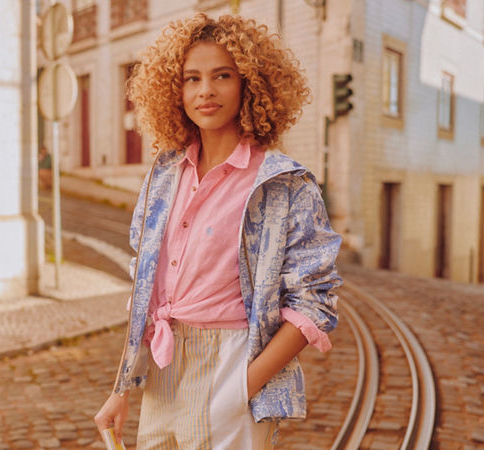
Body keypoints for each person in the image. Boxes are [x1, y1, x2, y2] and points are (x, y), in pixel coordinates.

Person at [93, 13, 342, 449]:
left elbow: (313, 303)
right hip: (162, 372)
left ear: (250, 84)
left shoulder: (284, 184)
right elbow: (148, 288)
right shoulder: (164, 173)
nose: (205, 90)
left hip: (232, 363)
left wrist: (241, 387)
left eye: (221, 75)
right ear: (176, 90)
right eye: (191, 78)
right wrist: (121, 388)